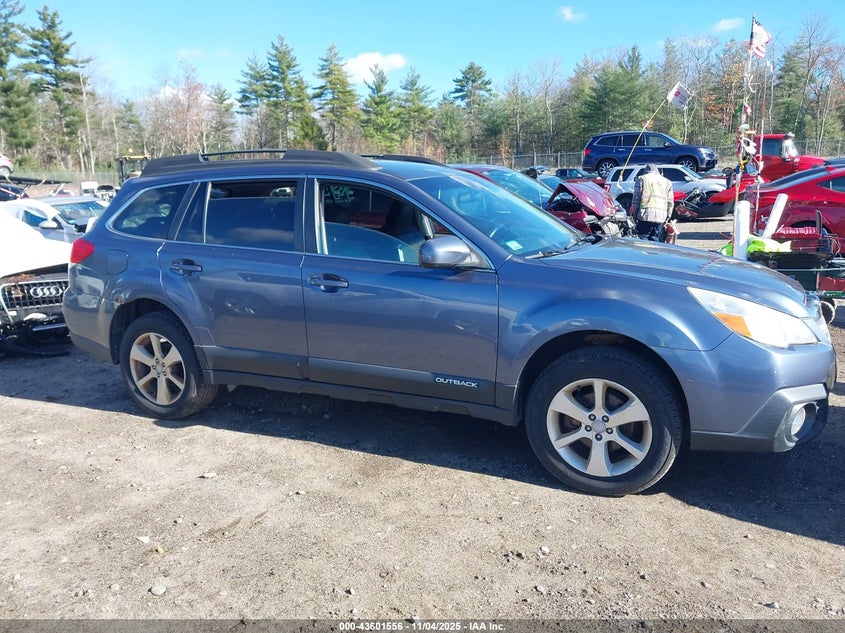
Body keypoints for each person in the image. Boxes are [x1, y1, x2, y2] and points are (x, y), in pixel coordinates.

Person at [631, 164, 673, 241]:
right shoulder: (667, 182)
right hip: (661, 216)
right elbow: (670, 202)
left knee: (643, 239)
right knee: (655, 240)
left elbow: (636, 198)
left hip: (645, 215)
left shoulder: (641, 179)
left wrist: (634, 214)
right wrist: (668, 217)